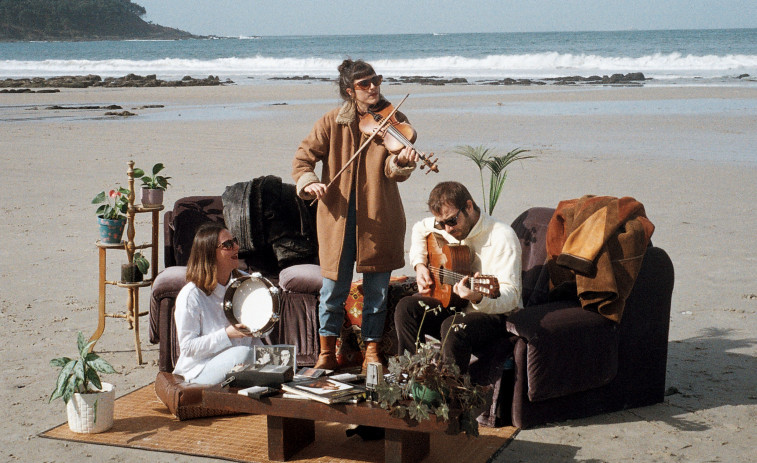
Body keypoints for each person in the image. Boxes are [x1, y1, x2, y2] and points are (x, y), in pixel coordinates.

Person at [292, 59, 420, 372]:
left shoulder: (395, 119)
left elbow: (394, 172)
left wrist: (402, 161)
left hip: (380, 216)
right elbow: (302, 161)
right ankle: (326, 351)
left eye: (375, 80)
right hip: (337, 219)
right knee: (333, 289)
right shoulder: (331, 122)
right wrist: (310, 183)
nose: (374, 87)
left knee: (376, 291)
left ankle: (372, 352)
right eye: (365, 84)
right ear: (351, 91)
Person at [394, 181, 523, 374]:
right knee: (407, 308)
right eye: (441, 223)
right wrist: (420, 265)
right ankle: (413, 377)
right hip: (457, 306)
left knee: (454, 326)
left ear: (469, 206)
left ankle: (450, 392)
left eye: (452, 221)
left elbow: (511, 296)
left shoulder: (502, 236)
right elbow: (420, 229)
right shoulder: (448, 225)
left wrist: (477, 297)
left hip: (494, 316)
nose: (446, 229)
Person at [172, 222, 263, 384]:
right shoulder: (191, 295)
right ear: (209, 254)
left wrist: (262, 321)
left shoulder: (245, 282)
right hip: (202, 368)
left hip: (243, 358)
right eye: (227, 245)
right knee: (242, 354)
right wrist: (227, 334)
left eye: (235, 241)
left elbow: (261, 331)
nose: (236, 247)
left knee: (286, 357)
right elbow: (187, 348)